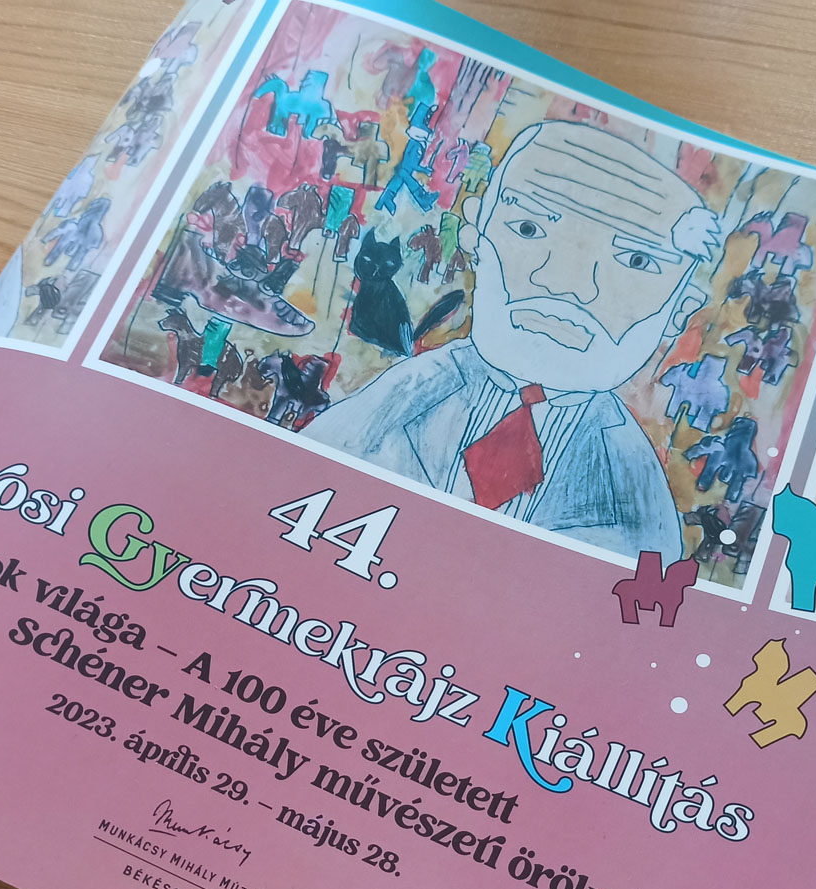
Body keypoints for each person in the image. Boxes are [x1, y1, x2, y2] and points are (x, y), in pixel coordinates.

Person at [304, 120, 720, 563]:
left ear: (680, 309)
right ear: (476, 238)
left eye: (635, 261)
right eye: (528, 228)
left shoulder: (636, 494)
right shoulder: (412, 390)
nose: (565, 282)